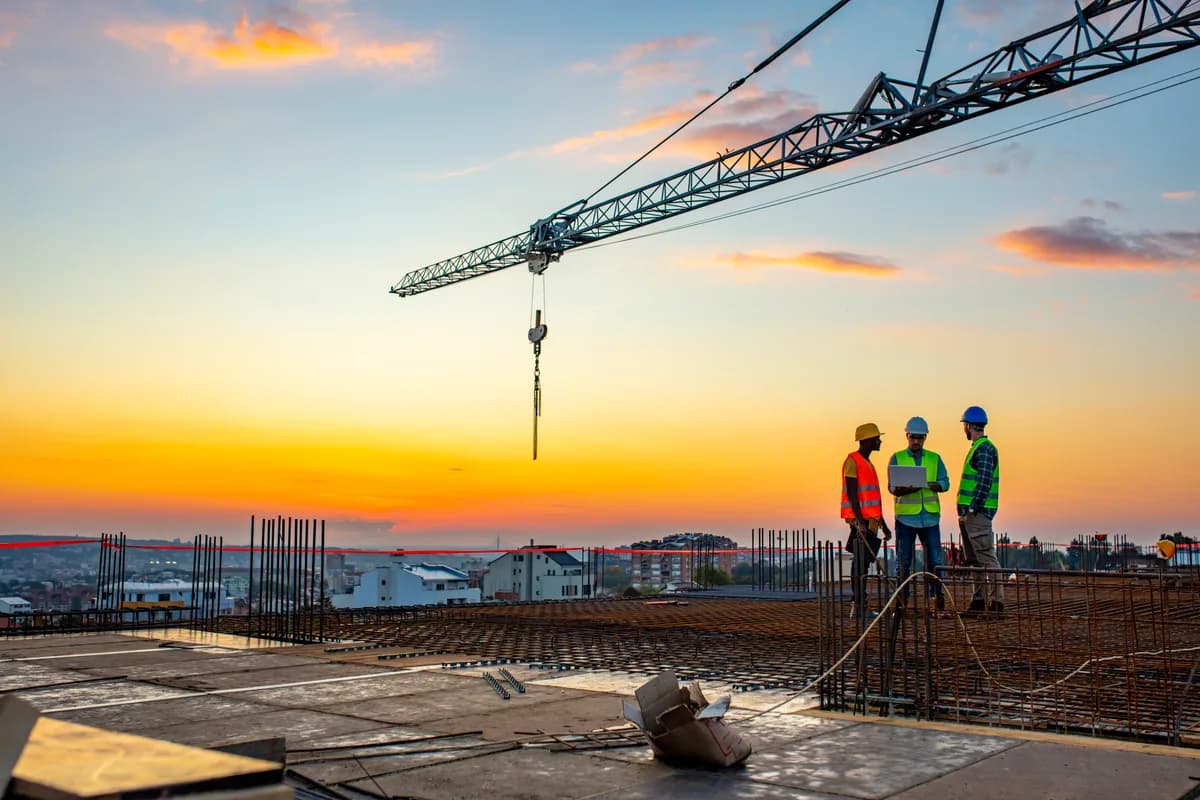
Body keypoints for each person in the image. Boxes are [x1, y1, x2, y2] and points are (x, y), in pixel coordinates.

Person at [887, 416, 949, 611]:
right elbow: (892, 488)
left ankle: (937, 596)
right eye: (913, 437)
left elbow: (946, 483)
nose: (916, 441)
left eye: (920, 438)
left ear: (925, 438)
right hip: (906, 519)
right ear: (907, 436)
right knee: (903, 562)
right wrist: (910, 488)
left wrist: (932, 485)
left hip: (929, 518)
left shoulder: (934, 458)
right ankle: (902, 600)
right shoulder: (897, 458)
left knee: (935, 561)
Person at [841, 422, 891, 622]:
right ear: (867, 440)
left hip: (871, 522)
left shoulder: (868, 464)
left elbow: (874, 500)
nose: (880, 441)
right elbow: (852, 494)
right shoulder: (853, 461)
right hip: (861, 522)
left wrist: (884, 525)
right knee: (860, 565)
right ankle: (859, 605)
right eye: (877, 438)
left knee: (863, 564)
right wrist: (860, 522)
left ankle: (860, 605)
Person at [957, 405, 1002, 617]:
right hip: (970, 514)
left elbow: (984, 481)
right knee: (974, 560)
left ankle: (996, 604)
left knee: (986, 558)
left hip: (978, 513)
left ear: (968, 425)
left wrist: (973, 508)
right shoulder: (978, 447)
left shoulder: (983, 448)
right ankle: (978, 601)